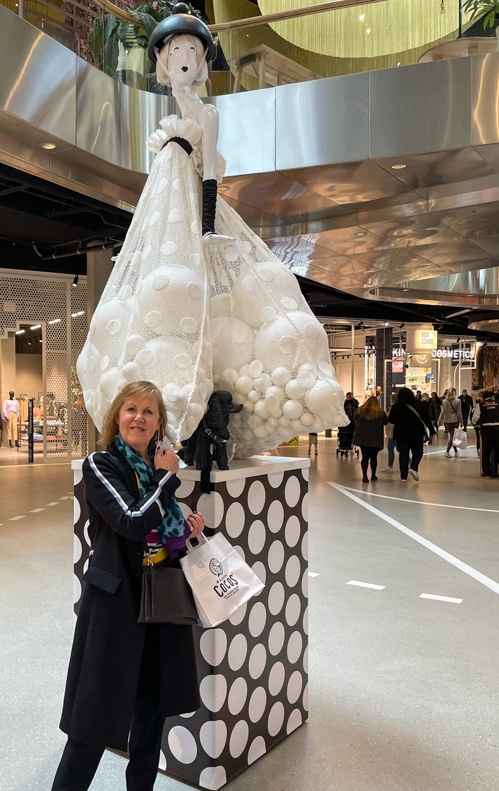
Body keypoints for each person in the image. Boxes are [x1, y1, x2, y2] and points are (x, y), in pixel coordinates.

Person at [76, 3, 345, 459]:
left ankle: (207, 428)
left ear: (202, 61)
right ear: (163, 60)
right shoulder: (169, 119)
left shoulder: (206, 116)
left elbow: (211, 175)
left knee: (207, 310)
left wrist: (205, 227)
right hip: (166, 218)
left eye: (191, 50)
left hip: (193, 215)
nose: (183, 57)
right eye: (175, 49)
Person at [27, 380, 205, 791]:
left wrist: (185, 528)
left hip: (161, 608)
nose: (141, 418)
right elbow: (130, 522)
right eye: (132, 409)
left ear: (159, 422)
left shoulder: (158, 474)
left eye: (150, 412)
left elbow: (159, 531)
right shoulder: (101, 466)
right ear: (117, 416)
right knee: (89, 727)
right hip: (114, 610)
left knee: (150, 714)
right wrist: (170, 482)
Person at [388, 387, 428, 482]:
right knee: (418, 452)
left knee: (403, 454)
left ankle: (403, 476)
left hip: (401, 434)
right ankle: (414, 467)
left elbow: (391, 420)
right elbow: (426, 418)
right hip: (416, 433)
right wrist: (431, 430)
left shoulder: (396, 407)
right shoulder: (418, 405)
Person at [353, 395, 388, 483]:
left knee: (365, 457)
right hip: (375, 438)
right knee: (374, 457)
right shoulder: (380, 412)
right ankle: (373, 475)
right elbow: (386, 422)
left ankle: (364, 476)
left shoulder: (360, 411)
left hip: (363, 438)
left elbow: (354, 419)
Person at [471, 391, 499, 477]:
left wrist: (474, 423)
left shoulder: (480, 405)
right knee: (498, 450)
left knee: (486, 451)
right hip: (498, 428)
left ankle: (487, 471)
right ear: (492, 397)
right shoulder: (498, 404)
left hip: (486, 430)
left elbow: (475, 419)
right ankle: (496, 470)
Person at [439, 387, 462, 457]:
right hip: (455, 420)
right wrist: (461, 421)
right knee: (452, 436)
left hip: (447, 421)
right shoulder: (458, 401)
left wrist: (439, 419)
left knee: (452, 436)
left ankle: (456, 451)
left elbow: (442, 412)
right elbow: (459, 412)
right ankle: (447, 451)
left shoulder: (444, 401)